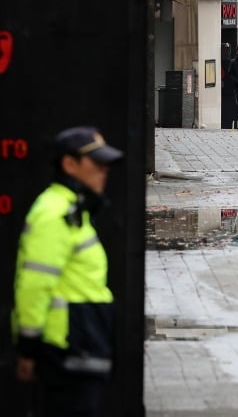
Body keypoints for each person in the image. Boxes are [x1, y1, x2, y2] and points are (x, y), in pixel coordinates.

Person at [13, 126, 123, 416]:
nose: (104, 171)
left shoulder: (74, 208)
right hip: (66, 350)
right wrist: (29, 348)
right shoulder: (55, 214)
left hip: (80, 345)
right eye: (96, 163)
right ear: (69, 164)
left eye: (105, 164)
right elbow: (34, 285)